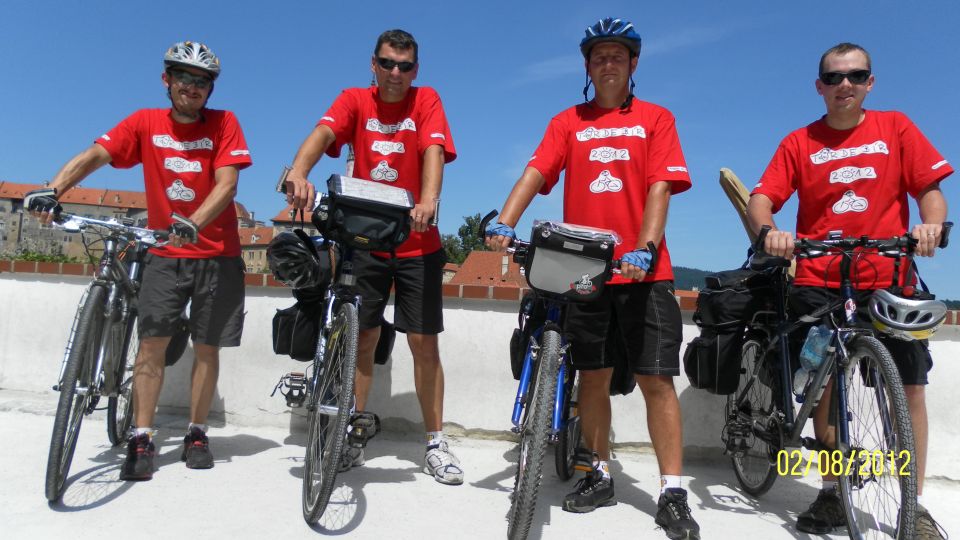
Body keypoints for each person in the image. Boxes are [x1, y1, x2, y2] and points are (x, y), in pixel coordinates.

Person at [485, 17, 700, 539]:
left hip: (643, 272)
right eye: (599, 56)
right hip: (583, 269)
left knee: (656, 380)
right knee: (594, 377)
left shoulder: (656, 119)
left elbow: (660, 187)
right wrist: (504, 221)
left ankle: (672, 492)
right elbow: (537, 171)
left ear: (633, 64)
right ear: (587, 66)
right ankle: (598, 473)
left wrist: (645, 248)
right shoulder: (568, 122)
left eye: (617, 56)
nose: (608, 64)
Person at [747, 42, 952, 538]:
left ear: (870, 83)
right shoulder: (799, 142)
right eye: (835, 77)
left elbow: (929, 190)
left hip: (890, 278)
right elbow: (762, 197)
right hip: (820, 278)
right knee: (826, 387)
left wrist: (930, 225)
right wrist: (769, 232)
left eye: (856, 76)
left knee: (909, 388)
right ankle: (832, 492)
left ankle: (913, 505)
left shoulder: (896, 128)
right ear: (819, 86)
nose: (846, 85)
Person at [25, 41, 252, 481]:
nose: (192, 86)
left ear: (210, 89)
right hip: (164, 252)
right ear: (167, 80)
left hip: (216, 253)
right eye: (183, 77)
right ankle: (142, 435)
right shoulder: (144, 122)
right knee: (151, 343)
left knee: (207, 347)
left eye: (201, 81)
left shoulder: (225, 123)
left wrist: (193, 223)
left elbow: (227, 184)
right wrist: (54, 189)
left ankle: (197, 432)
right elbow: (96, 154)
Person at [284, 29, 463, 485]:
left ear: (415, 70)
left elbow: (433, 151)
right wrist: (299, 172)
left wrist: (428, 201)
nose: (395, 73)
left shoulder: (426, 100)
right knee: (362, 338)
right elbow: (323, 133)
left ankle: (435, 442)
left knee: (423, 343)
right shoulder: (355, 100)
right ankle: (351, 433)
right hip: (365, 240)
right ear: (373, 64)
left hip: (417, 240)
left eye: (404, 66)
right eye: (387, 63)